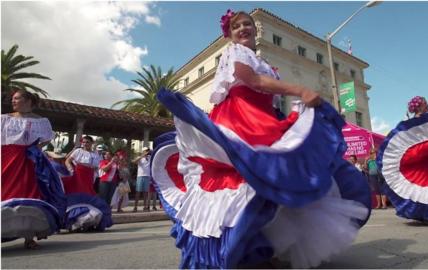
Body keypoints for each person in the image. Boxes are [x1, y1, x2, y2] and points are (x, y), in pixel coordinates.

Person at [152, 10, 371, 269]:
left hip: (262, 118)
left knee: (275, 179)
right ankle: (245, 249)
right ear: (230, 34)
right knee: (256, 177)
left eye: (247, 24)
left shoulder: (262, 60)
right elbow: (251, 79)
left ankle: (264, 248)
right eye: (236, 26)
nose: (242, 28)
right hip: (242, 119)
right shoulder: (236, 52)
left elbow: (264, 87)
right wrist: (299, 89)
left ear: (255, 31)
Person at [1, 89, 66, 249]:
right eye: (13, 99)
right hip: (8, 158)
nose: (13, 101)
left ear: (28, 101)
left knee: (30, 195)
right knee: (5, 193)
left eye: (17, 98)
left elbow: (47, 138)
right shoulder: (4, 119)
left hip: (31, 160)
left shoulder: (42, 121)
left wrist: (35, 148)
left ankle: (29, 237)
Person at [61, 136, 112, 232]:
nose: (85, 144)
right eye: (83, 142)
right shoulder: (78, 151)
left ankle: (88, 222)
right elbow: (67, 160)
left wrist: (96, 176)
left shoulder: (96, 154)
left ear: (92, 143)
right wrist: (71, 170)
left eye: (87, 142)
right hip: (78, 175)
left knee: (90, 196)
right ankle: (73, 221)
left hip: (89, 177)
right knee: (78, 196)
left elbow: (97, 168)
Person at [132, 147, 151, 212]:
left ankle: (145, 207)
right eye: (146, 151)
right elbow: (134, 161)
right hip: (140, 176)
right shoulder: (139, 158)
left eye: (148, 151)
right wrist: (142, 156)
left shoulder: (150, 158)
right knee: (138, 192)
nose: (147, 152)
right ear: (143, 151)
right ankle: (135, 207)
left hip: (147, 176)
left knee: (145, 193)